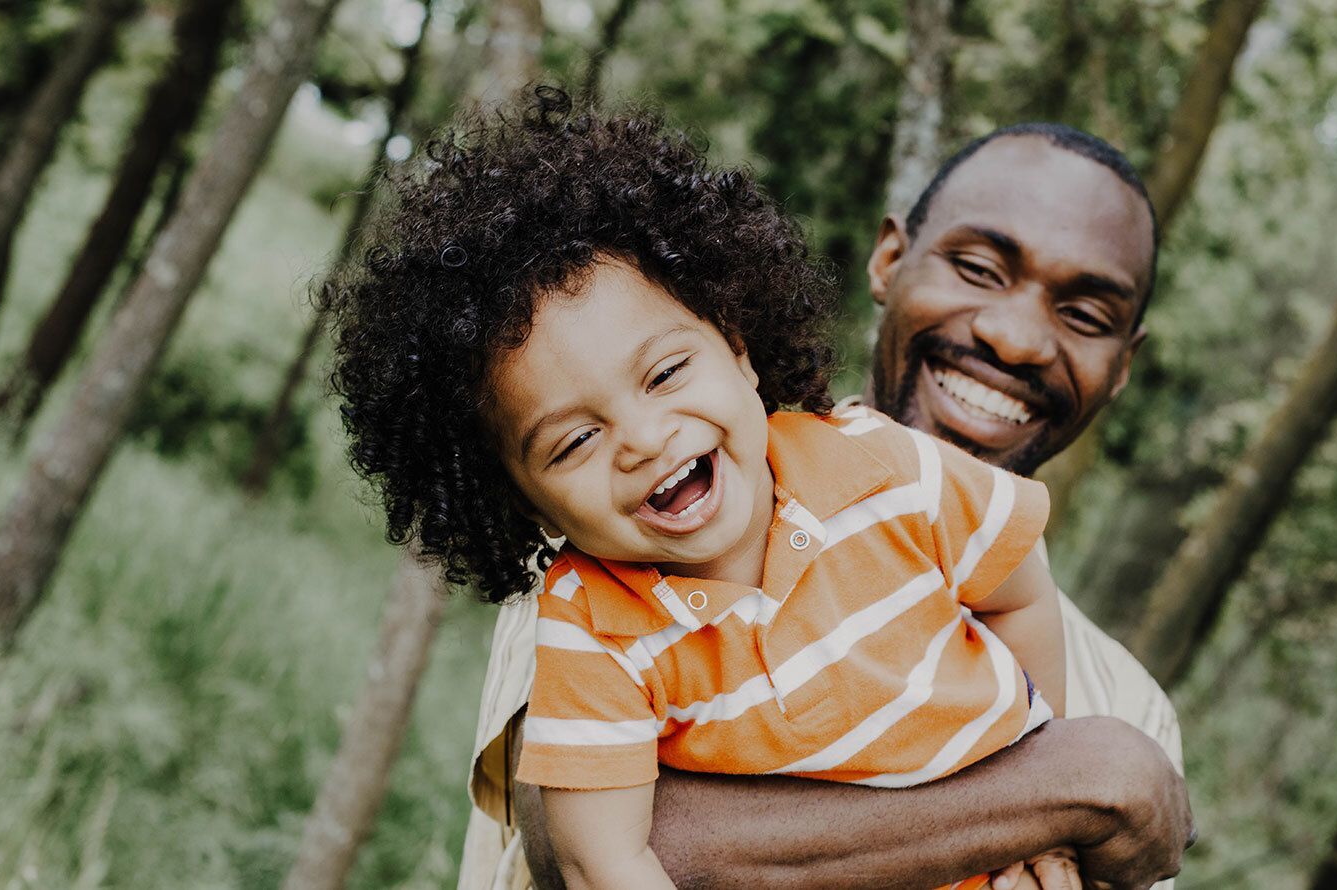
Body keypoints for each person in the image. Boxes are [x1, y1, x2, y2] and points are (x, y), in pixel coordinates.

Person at [329, 87, 1094, 890]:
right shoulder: (596, 629)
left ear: (738, 346)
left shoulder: (886, 469)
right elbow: (603, 862)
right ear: (522, 501)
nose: (645, 439)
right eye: (576, 440)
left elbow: (1019, 592)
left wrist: (1048, 801)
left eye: (664, 374)